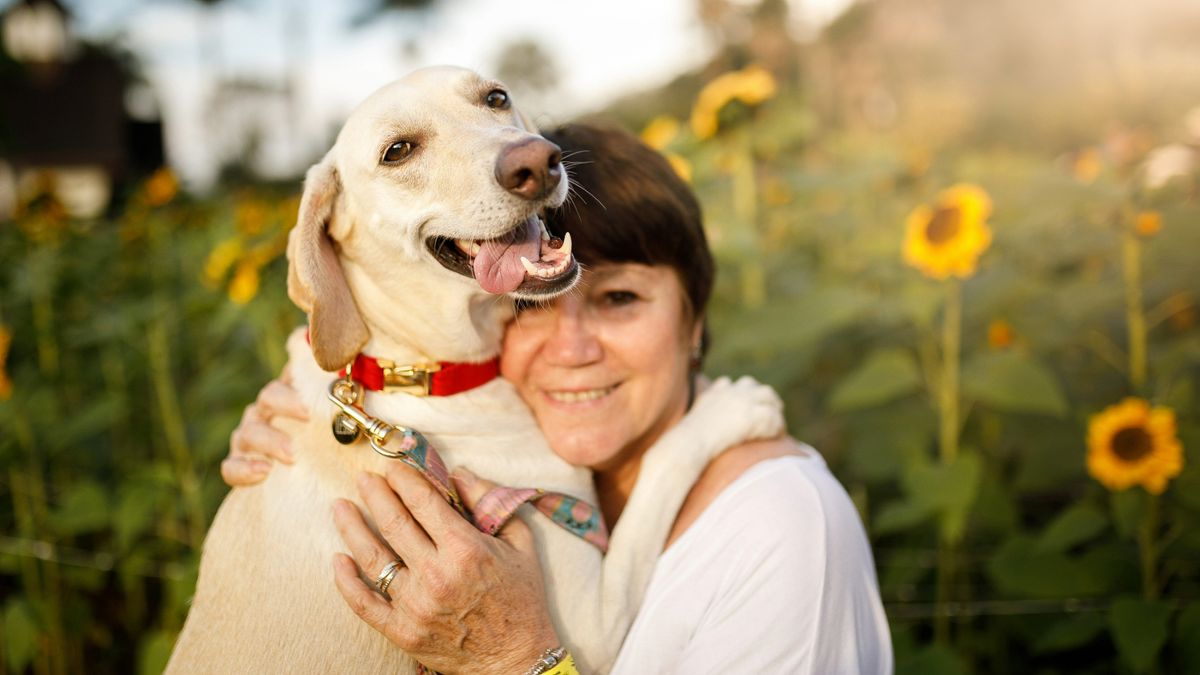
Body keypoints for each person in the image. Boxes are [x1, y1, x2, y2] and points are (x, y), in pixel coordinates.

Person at [223, 123, 892, 674]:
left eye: (620, 298)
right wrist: (309, 402)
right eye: (528, 306)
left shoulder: (781, 527)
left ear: (695, 321)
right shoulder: (488, 465)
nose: (570, 347)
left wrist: (517, 658)